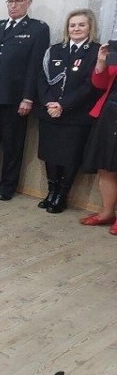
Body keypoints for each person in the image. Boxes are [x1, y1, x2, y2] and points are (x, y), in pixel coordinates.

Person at [0, 0, 49, 200]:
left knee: (12, 144)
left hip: (15, 97)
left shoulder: (37, 29)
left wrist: (28, 97)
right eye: (10, 1)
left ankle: (7, 186)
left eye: (18, 1)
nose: (13, 5)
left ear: (28, 3)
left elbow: (35, 66)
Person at [35, 9, 100, 213]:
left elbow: (90, 85)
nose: (76, 28)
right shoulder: (55, 50)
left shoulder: (96, 52)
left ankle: (62, 195)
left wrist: (63, 104)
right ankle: (51, 191)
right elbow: (42, 79)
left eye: (81, 25)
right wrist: (49, 103)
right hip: (50, 113)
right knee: (50, 154)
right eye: (72, 25)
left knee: (69, 156)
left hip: (76, 116)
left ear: (90, 27)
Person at [79, 38, 117, 234]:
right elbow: (100, 83)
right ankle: (107, 213)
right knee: (106, 166)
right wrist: (101, 61)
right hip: (110, 113)